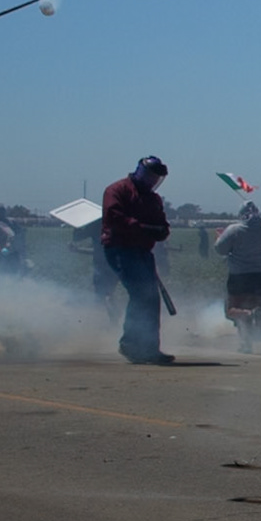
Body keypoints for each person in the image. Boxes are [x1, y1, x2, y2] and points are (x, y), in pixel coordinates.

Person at [103, 156, 173, 365]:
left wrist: (160, 231)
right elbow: (114, 217)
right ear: (139, 172)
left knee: (151, 297)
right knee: (141, 294)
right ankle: (131, 345)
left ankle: (149, 348)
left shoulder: (153, 199)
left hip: (142, 251)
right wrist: (142, 227)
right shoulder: (117, 190)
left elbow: (162, 224)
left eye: (156, 178)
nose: (152, 181)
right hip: (120, 249)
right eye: (149, 176)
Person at [215, 201, 261, 353]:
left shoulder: (234, 229)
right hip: (260, 274)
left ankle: (248, 325)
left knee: (233, 310)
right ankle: (247, 342)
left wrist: (221, 236)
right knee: (255, 303)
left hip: (239, 274)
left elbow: (220, 249)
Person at [0, 202, 27, 278]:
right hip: (16, 253)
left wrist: (5, 246)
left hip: (7, 253)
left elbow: (9, 234)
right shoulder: (11, 221)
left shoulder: (0, 223)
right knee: (13, 276)